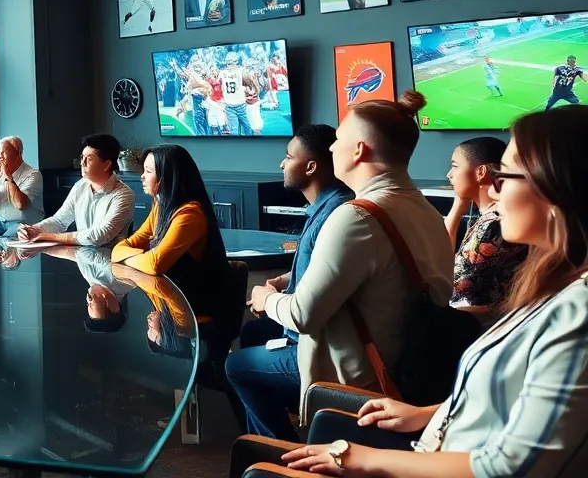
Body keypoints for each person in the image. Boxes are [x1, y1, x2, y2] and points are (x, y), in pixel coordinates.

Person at [276, 105, 588, 477]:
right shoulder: (551, 289)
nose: (494, 190)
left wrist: (361, 458)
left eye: (505, 176)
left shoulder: (578, 312)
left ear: (556, 189)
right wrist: (427, 413)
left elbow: (514, 466)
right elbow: (513, 401)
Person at [248, 92, 453, 430]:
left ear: (359, 150)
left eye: (338, 139)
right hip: (411, 376)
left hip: (358, 389)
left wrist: (265, 298)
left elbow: (302, 315)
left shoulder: (355, 218)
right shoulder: (426, 210)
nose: (330, 148)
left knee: (238, 367)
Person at [224, 125, 353, 439]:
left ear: (310, 167)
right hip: (303, 331)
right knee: (254, 332)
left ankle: (281, 453)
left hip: (314, 346)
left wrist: (267, 299)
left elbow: (313, 303)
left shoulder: (334, 214)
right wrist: (285, 281)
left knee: (235, 367)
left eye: (288, 157)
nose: (282, 164)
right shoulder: (327, 207)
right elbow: (321, 271)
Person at [110, 144, 230, 317]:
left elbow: (155, 264)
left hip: (195, 313)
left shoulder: (190, 214)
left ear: (167, 177)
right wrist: (138, 256)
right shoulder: (161, 206)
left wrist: (127, 259)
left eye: (148, 171)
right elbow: (119, 249)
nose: (142, 176)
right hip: (170, 305)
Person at [445, 136, 527, 323]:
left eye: (455, 166)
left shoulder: (493, 226)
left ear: (481, 172)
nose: (449, 174)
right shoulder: (490, 218)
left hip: (478, 326)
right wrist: (458, 208)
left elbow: (447, 283)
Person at [19, 134, 133, 246]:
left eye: (89, 159)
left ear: (106, 165)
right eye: (82, 157)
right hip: (83, 257)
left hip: (111, 259)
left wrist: (49, 236)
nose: (82, 163)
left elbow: (99, 236)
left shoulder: (123, 194)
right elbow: (59, 221)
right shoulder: (80, 187)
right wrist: (33, 230)